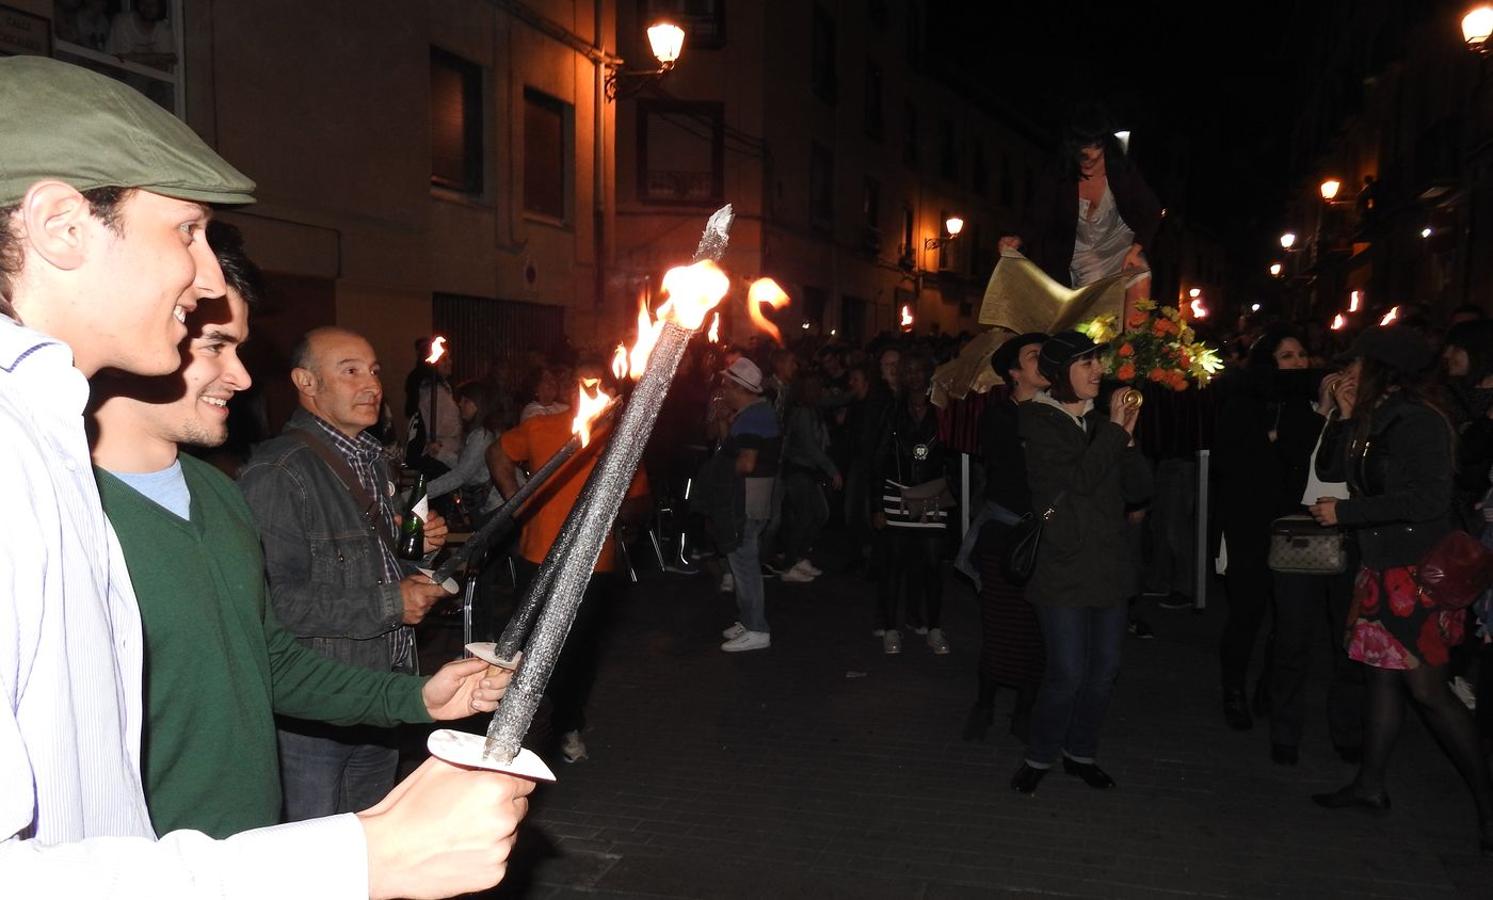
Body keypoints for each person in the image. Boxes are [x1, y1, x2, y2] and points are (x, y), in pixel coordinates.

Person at [0, 55, 529, 897]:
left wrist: (417, 700)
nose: (204, 278)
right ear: (62, 226)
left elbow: (259, 663)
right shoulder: (20, 464)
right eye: (185, 232)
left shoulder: (71, 458)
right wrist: (357, 857)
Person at [88, 224, 512, 837]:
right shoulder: (62, 509)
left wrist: (418, 697)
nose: (240, 376)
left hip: (256, 836)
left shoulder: (216, 495)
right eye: (210, 342)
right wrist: (388, 601)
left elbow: (269, 661)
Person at [239, 326, 457, 821]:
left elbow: (372, 563)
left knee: (364, 855)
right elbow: (270, 603)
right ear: (306, 381)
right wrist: (391, 602)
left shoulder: (373, 461)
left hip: (380, 695)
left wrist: (416, 553)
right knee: (310, 861)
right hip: (316, 710)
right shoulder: (280, 472)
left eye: (375, 371)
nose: (372, 385)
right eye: (350, 371)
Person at [1309, 327, 1493, 854]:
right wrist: (1343, 418)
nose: (1349, 373)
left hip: (1416, 575)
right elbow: (1330, 470)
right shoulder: (1379, 415)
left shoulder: (1419, 421)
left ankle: (1487, 804)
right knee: (1383, 682)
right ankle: (1371, 785)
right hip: (1385, 567)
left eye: (1358, 365)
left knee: (1429, 693)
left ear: (1384, 370)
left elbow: (1428, 499)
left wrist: (1346, 513)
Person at [1009, 331, 1150, 794]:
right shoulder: (1035, 420)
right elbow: (1081, 480)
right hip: (1062, 565)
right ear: (1058, 373)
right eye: (1085, 363)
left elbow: (1140, 489)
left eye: (1098, 361)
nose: (1098, 371)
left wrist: (1127, 443)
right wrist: (1113, 432)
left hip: (1109, 564)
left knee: (1104, 670)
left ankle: (1080, 751)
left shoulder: (1102, 424)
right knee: (1067, 672)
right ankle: (1040, 754)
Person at [488, 361, 649, 760]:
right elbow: (498, 452)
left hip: (592, 563)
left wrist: (617, 511)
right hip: (539, 557)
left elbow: (637, 499)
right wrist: (519, 502)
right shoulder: (544, 428)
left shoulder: (621, 439)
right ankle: (530, 726)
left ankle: (564, 726)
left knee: (576, 649)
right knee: (537, 646)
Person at [1211, 328, 1317, 731]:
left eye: (1302, 353)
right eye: (1286, 355)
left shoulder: (1314, 401)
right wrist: (1271, 442)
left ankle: (1271, 686)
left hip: (1301, 522)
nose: (1297, 362)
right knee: (1247, 612)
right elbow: (1231, 462)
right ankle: (1233, 689)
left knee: (1290, 617)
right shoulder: (1244, 402)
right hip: (1250, 521)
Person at [998, 101, 1161, 319]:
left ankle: (1133, 350)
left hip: (1120, 244)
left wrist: (1136, 249)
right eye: (1080, 153)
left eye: (1094, 152)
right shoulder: (1060, 172)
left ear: (1103, 144)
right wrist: (1018, 239)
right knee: (1098, 316)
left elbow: (1151, 208)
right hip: (1084, 253)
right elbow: (1039, 213)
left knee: (1140, 275)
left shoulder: (1120, 167)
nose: (1087, 159)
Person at [964, 333, 1049, 741]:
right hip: (1004, 536)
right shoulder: (1000, 415)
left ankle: (1025, 710)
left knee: (1038, 630)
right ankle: (984, 703)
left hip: (1045, 536)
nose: (1044, 362)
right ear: (1014, 372)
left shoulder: (1062, 413)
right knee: (999, 627)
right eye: (1034, 357)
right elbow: (1014, 469)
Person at [869, 351, 953, 656]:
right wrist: (877, 504)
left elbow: (952, 452)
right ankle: (891, 628)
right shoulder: (891, 410)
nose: (914, 376)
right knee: (894, 565)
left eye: (920, 370)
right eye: (909, 371)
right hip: (896, 493)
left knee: (932, 564)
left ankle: (933, 627)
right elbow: (877, 459)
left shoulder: (942, 409)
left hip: (932, 494)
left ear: (929, 373)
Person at [714, 357, 780, 652]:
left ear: (738, 387)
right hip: (750, 499)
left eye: (727, 384)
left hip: (747, 500)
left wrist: (719, 473)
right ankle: (747, 619)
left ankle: (757, 628)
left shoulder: (754, 417)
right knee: (740, 562)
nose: (723, 389)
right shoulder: (752, 413)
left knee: (745, 565)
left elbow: (746, 462)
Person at [777, 373, 840, 583]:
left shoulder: (813, 410)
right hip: (798, 470)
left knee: (819, 514)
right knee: (807, 515)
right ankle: (790, 564)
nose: (818, 391)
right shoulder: (802, 413)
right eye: (813, 387)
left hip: (807, 471)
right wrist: (832, 471)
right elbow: (810, 447)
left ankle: (798, 557)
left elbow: (834, 401)